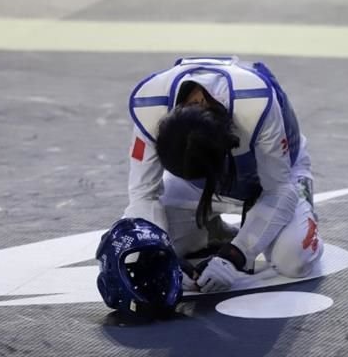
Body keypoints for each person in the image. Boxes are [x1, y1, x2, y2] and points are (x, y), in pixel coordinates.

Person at [120, 55, 323, 295]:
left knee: (294, 259)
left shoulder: (256, 103)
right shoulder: (150, 106)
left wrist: (235, 255)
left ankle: (301, 202)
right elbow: (143, 195)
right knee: (141, 249)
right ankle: (212, 230)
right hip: (195, 187)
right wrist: (165, 256)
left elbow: (278, 189)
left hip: (273, 179)